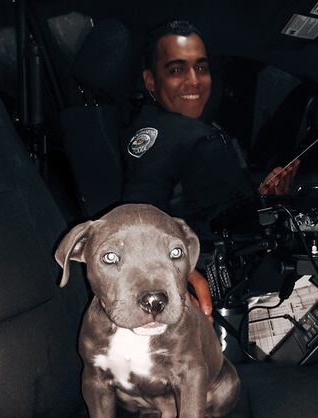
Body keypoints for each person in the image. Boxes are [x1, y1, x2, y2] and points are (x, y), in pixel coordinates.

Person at [122, 20, 299, 320]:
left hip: (236, 272)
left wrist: (261, 198)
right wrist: (177, 274)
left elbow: (207, 203)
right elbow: (138, 214)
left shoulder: (179, 129)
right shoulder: (170, 134)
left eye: (201, 68)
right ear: (151, 81)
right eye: (177, 70)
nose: (194, 81)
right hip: (214, 289)